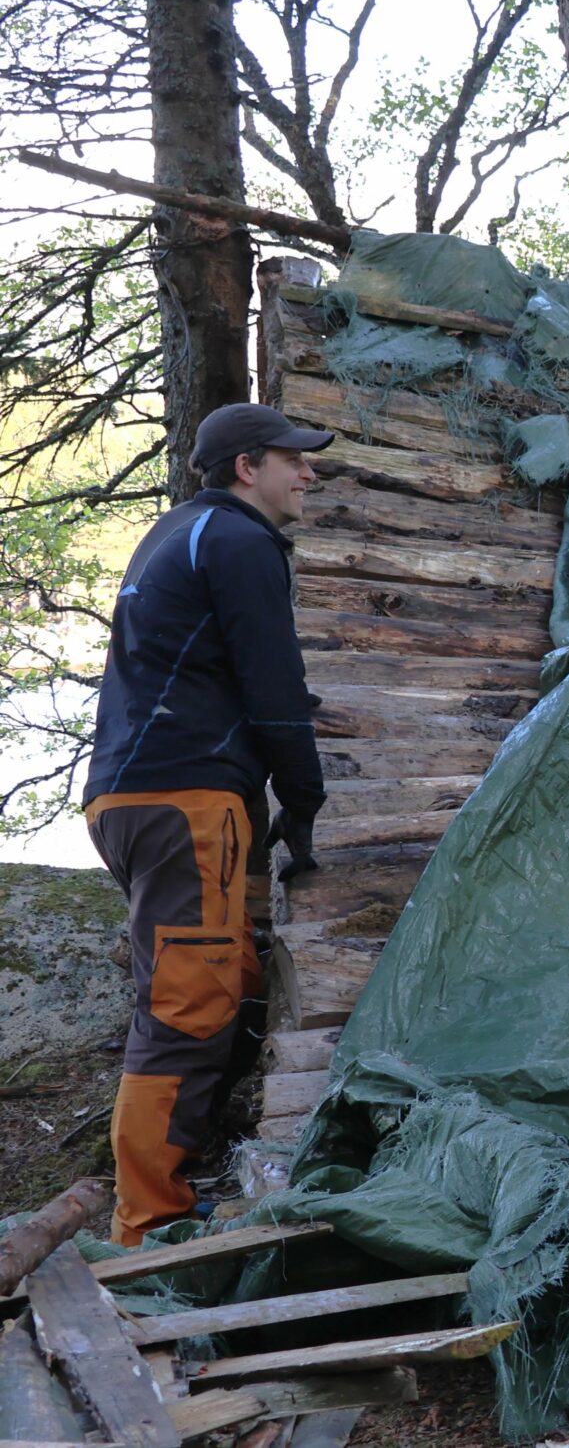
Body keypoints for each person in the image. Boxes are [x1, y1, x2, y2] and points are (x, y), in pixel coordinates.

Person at [83, 402, 332, 1245]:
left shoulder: (176, 533)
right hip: (186, 797)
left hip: (130, 795)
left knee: (229, 968)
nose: (309, 473)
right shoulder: (238, 542)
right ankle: (146, 1219)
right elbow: (272, 682)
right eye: (294, 460)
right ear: (245, 467)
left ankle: (181, 1175)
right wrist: (303, 796)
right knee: (193, 1000)